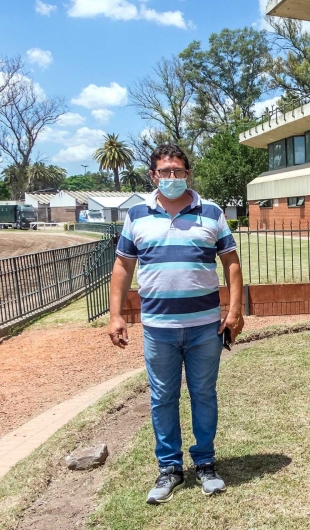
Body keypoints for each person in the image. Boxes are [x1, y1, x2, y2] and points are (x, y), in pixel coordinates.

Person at [108, 144, 244, 503]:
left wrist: (234, 311)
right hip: (158, 328)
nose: (172, 177)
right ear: (153, 175)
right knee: (162, 398)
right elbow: (123, 266)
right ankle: (169, 468)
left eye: (178, 171)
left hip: (205, 327)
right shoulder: (137, 214)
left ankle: (205, 464)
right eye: (165, 171)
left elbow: (231, 263)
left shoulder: (211, 212)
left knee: (204, 395)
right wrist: (116, 314)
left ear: (187, 173)